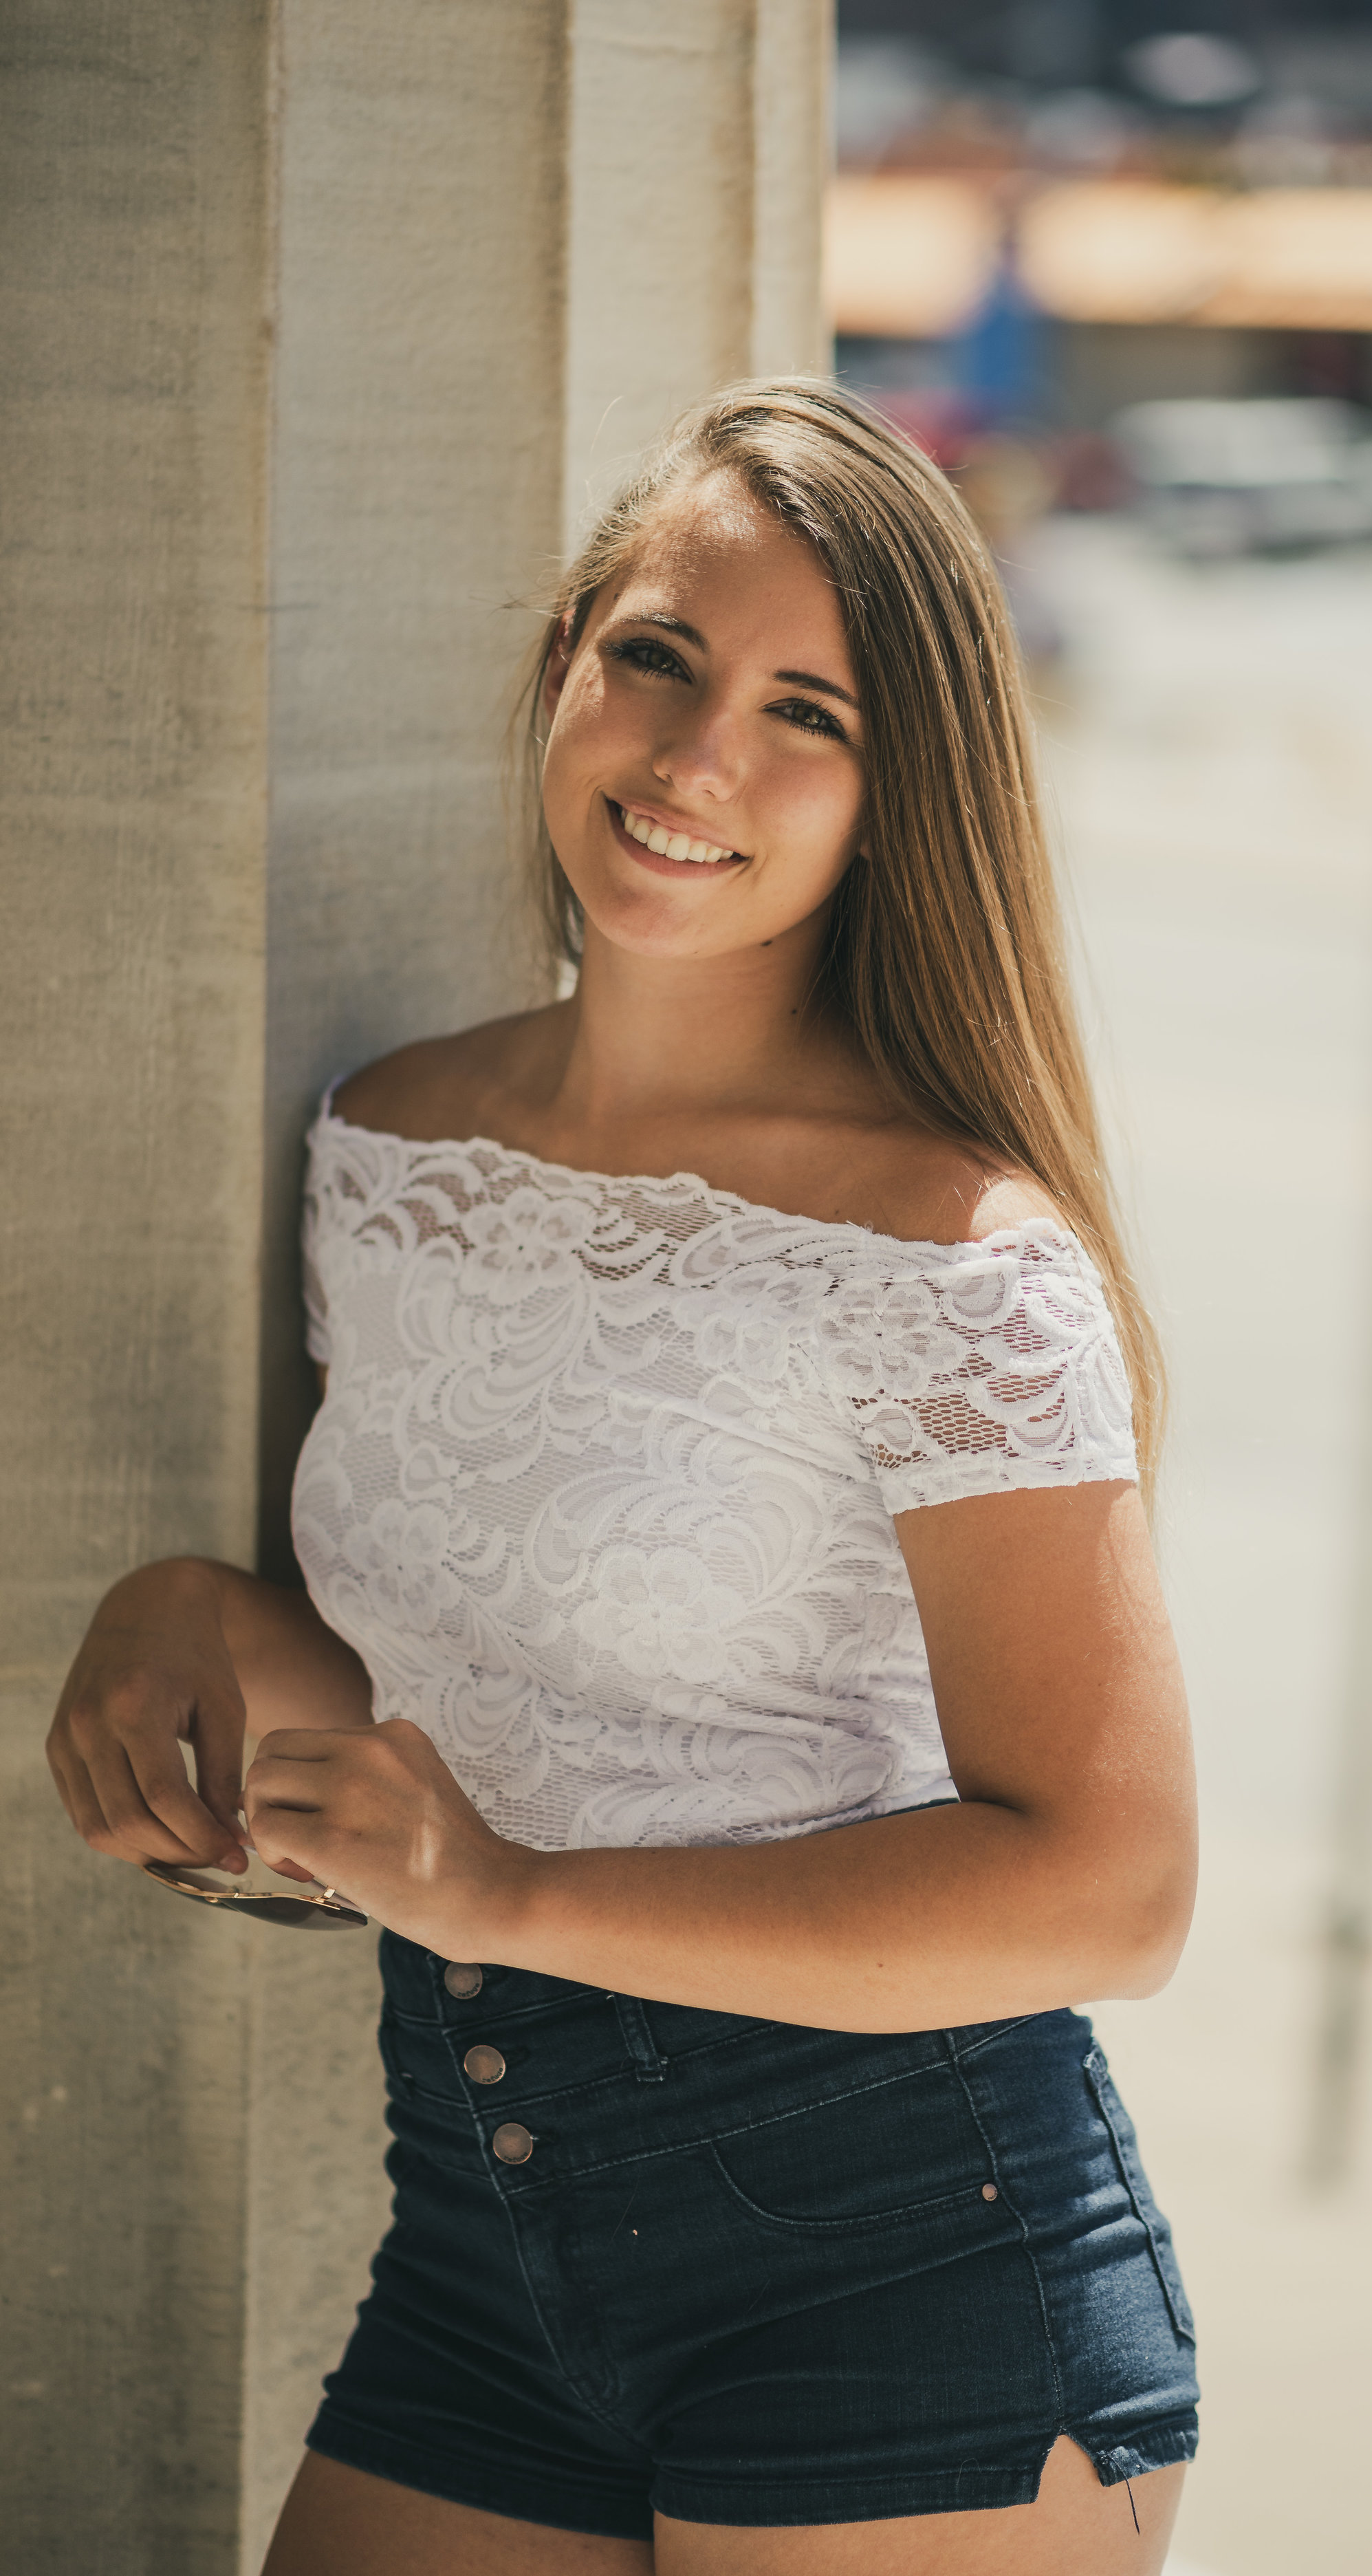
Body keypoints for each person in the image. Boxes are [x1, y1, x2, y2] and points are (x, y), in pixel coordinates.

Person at [47, 381, 1200, 2574]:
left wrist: (515, 1902)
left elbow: (1111, 1889)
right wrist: (195, 1607)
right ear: (564, 658)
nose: (694, 763)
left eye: (806, 714)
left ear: (896, 797)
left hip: (906, 2278)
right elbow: (523, 1683)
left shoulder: (949, 1257)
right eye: (655, 656)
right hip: (487, 2243)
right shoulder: (387, 1149)